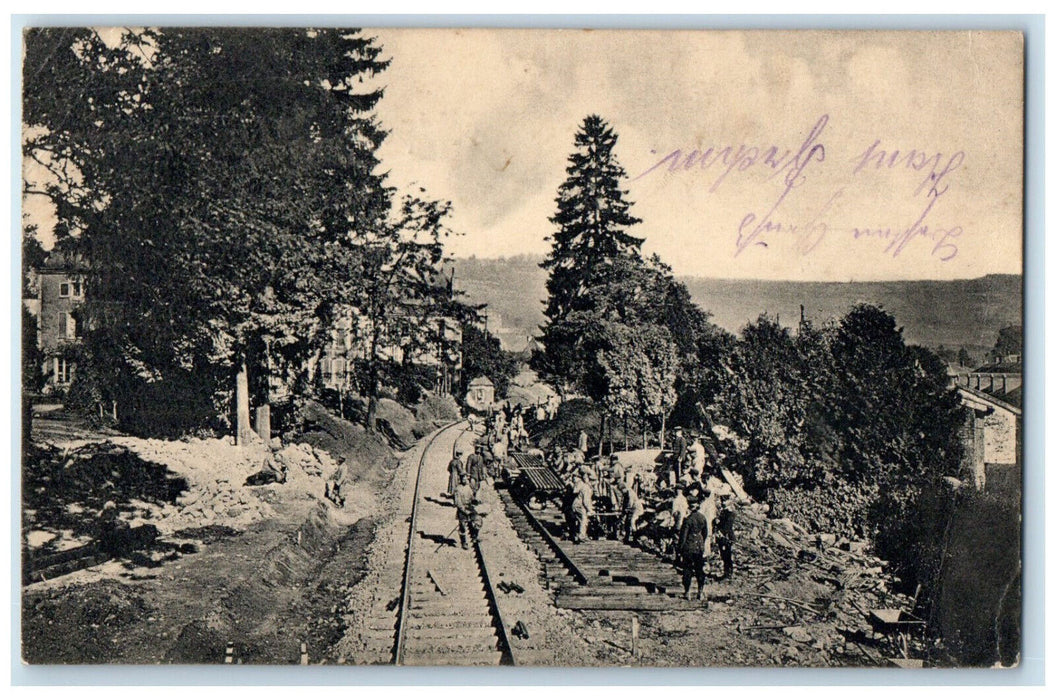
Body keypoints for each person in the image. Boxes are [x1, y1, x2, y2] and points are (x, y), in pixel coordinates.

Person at [676, 493, 712, 602]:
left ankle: (687, 592)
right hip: (699, 547)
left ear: (689, 506)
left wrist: (679, 549)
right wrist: (700, 541)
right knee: (699, 569)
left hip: (688, 547)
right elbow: (705, 533)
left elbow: (683, 536)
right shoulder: (702, 518)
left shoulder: (688, 520)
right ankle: (700, 592)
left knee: (687, 569)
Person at [715, 493, 737, 580]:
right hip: (722, 536)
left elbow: (728, 526)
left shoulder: (730, 513)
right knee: (724, 555)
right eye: (722, 501)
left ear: (729, 502)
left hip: (726, 537)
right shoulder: (724, 511)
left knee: (727, 555)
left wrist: (721, 532)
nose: (723, 502)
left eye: (725, 501)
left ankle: (729, 573)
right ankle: (726, 572)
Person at [452, 474, 477, 549]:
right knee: (462, 526)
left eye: (466, 479)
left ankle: (474, 537)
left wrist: (475, 500)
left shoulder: (468, 487)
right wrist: (464, 510)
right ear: (460, 480)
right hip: (462, 510)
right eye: (463, 479)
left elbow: (472, 497)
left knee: (475, 522)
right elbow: (458, 502)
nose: (465, 481)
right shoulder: (458, 489)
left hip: (469, 507)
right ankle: (464, 542)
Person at [571, 471, 594, 544]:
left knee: (580, 521)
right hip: (580, 505)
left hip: (577, 504)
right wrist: (590, 510)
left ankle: (578, 535)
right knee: (584, 520)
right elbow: (586, 501)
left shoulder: (584, 486)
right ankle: (581, 536)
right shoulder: (586, 487)